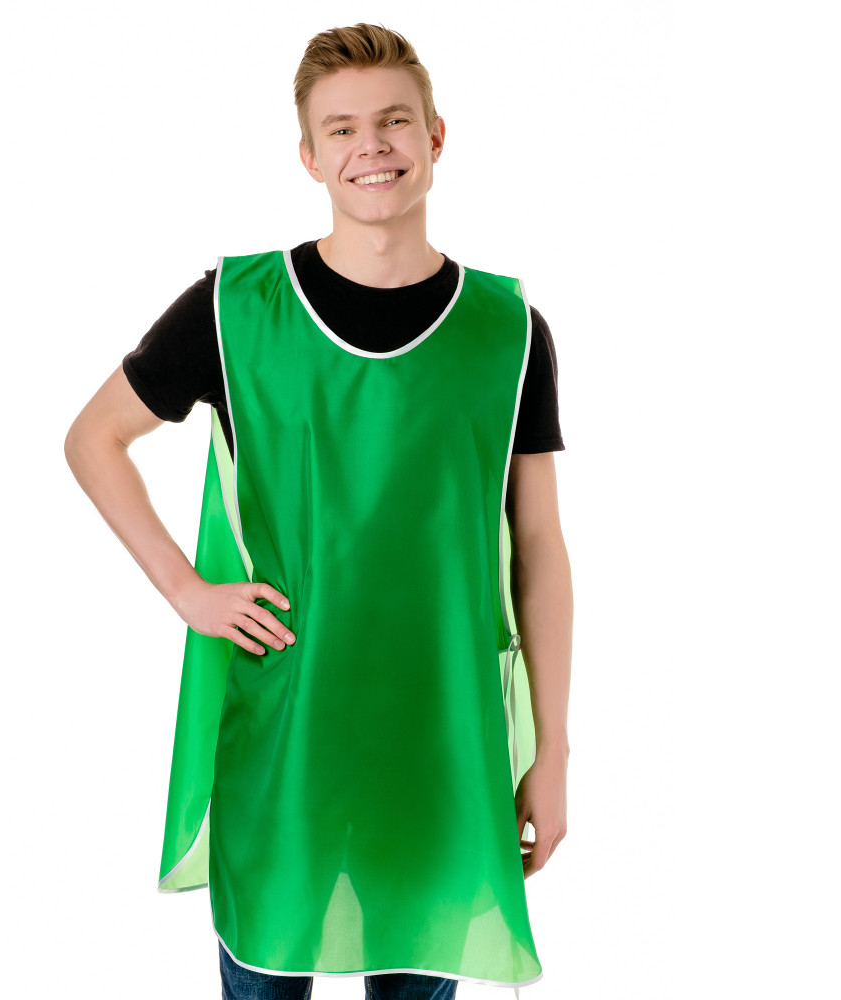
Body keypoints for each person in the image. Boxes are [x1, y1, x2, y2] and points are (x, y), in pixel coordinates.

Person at [64, 22, 572, 1000]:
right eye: (340, 129)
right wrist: (187, 589)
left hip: (438, 736)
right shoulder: (236, 308)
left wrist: (551, 752)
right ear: (308, 155)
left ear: (436, 136)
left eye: (394, 121)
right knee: (266, 973)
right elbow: (94, 439)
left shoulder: (507, 330)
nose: (370, 145)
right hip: (286, 727)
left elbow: (540, 545)